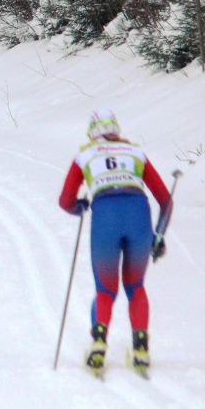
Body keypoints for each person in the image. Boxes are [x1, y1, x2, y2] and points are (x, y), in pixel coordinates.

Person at [58, 108, 173, 374]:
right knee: (135, 285)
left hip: (105, 219)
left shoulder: (84, 155)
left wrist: (80, 206)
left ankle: (98, 343)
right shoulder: (135, 153)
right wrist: (159, 235)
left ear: (92, 132)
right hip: (139, 216)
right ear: (116, 129)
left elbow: (65, 201)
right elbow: (166, 200)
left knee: (105, 289)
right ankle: (141, 349)